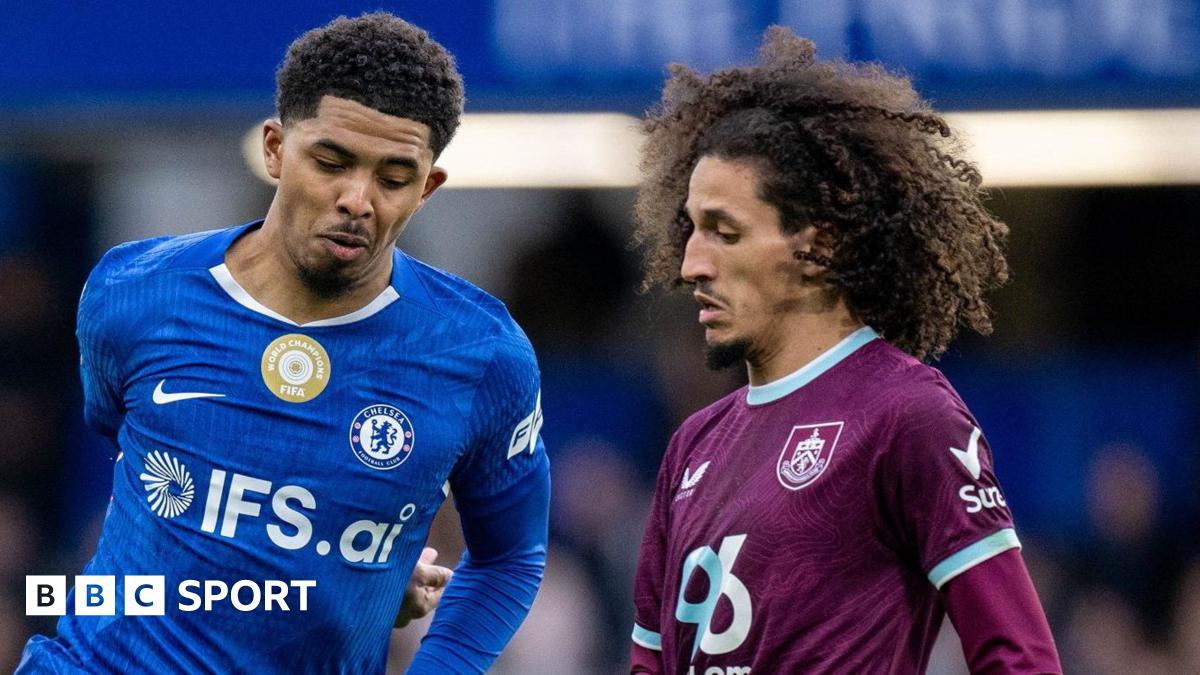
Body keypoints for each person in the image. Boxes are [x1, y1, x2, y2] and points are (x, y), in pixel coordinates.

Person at [19, 12, 549, 674]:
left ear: (427, 188)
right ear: (275, 149)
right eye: (331, 162)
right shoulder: (132, 292)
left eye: (393, 177)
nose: (357, 199)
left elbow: (510, 557)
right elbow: (124, 444)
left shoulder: (483, 355)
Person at [629, 27, 1061, 674]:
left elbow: (1019, 656)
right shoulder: (692, 446)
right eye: (690, 230)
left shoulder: (906, 414)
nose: (691, 264)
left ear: (818, 246)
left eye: (725, 232)